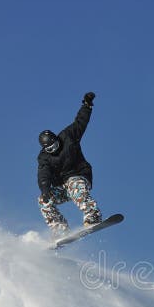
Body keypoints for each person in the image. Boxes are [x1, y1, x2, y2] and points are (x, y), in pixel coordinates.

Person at [37, 91, 102, 237]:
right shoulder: (44, 158)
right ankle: (60, 228)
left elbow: (80, 122)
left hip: (79, 176)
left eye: (55, 146)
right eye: (50, 149)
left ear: (56, 139)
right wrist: (45, 190)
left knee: (74, 185)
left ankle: (93, 214)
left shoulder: (68, 136)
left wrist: (87, 105)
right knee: (43, 200)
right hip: (62, 186)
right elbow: (43, 174)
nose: (54, 150)